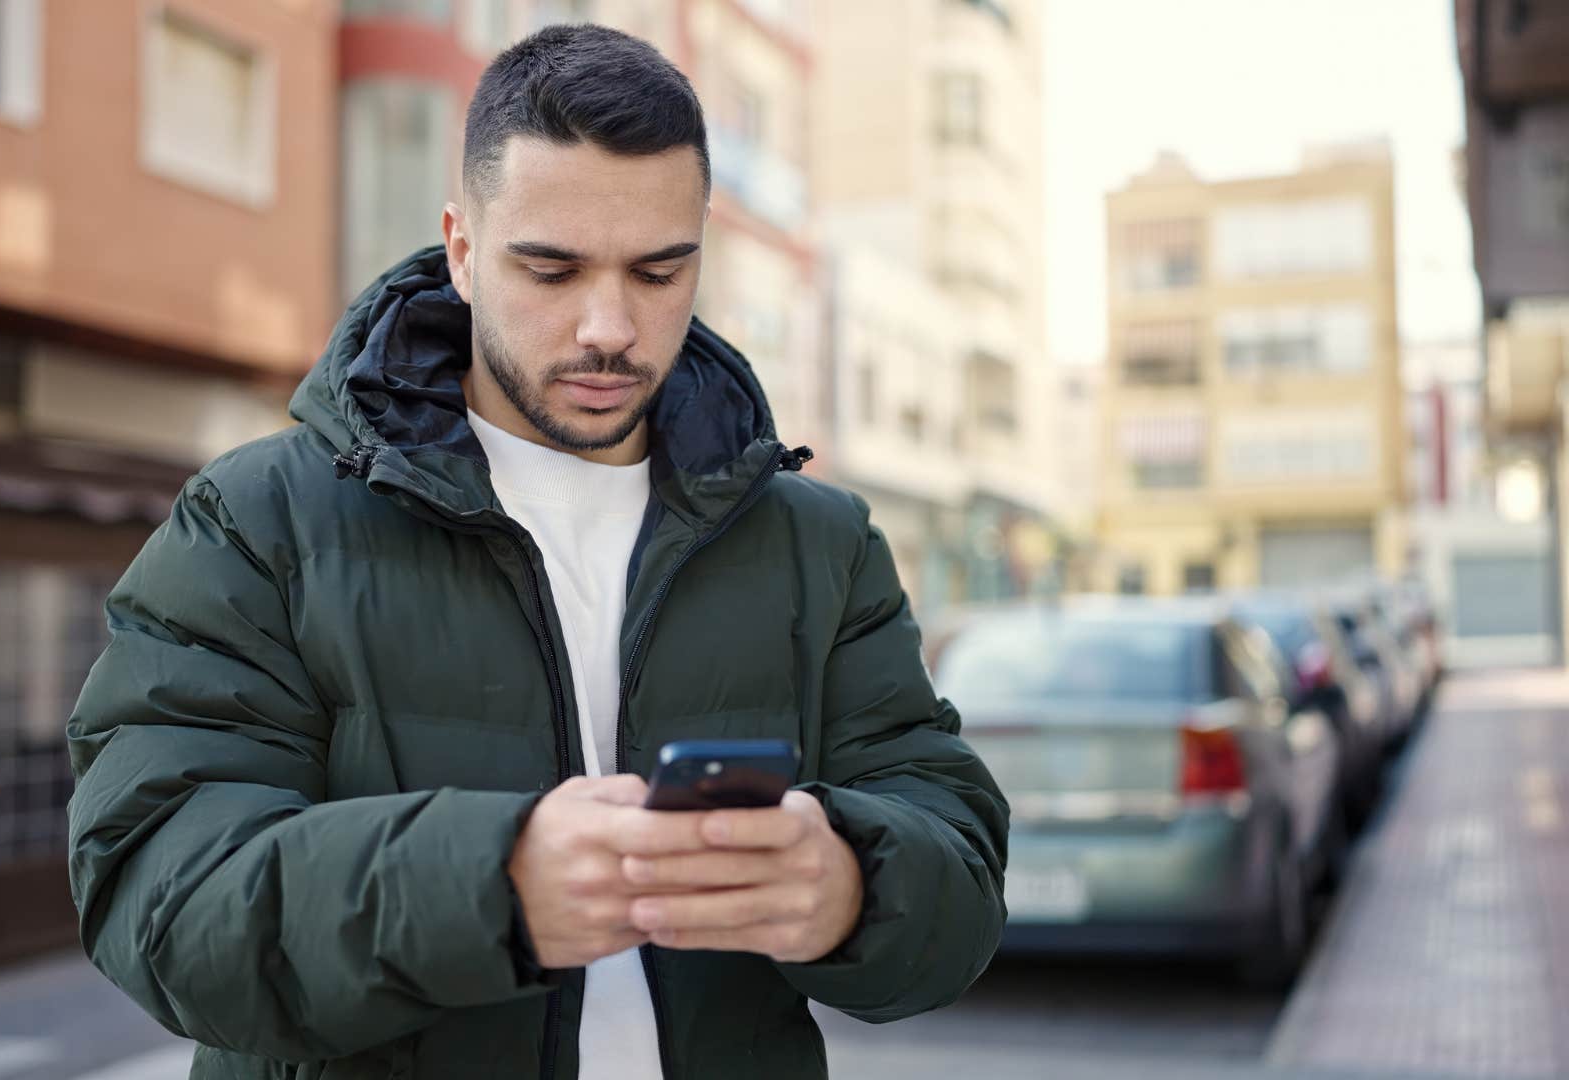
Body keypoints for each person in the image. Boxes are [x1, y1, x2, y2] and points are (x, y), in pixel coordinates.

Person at [67, 23, 1007, 1080]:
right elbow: (157, 897)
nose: (609, 326)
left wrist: (851, 886)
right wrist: (490, 887)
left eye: (659, 272)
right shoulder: (256, 522)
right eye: (552, 270)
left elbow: (960, 874)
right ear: (462, 251)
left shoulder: (819, 544)